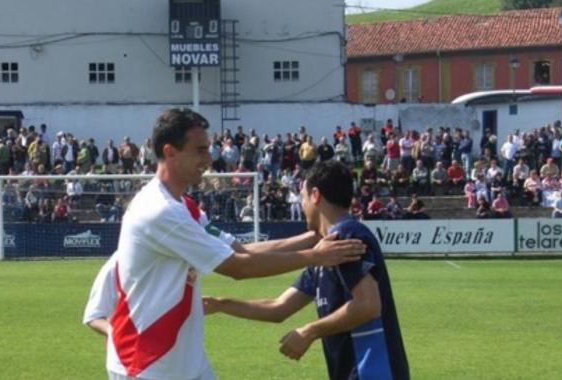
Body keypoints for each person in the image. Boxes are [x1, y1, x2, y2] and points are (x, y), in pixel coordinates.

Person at [82, 108, 366, 380]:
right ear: (170, 152)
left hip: (181, 360)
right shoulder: (160, 211)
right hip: (146, 363)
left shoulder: (186, 207)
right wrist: (315, 256)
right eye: (200, 150)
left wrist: (311, 238)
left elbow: (240, 250)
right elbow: (238, 267)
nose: (209, 159)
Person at [203, 160, 409, 380]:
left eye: (302, 197)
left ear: (315, 195)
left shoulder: (347, 236)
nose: (302, 205)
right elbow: (278, 308)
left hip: (373, 372)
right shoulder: (324, 252)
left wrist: (309, 331)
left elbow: (368, 305)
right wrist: (220, 304)